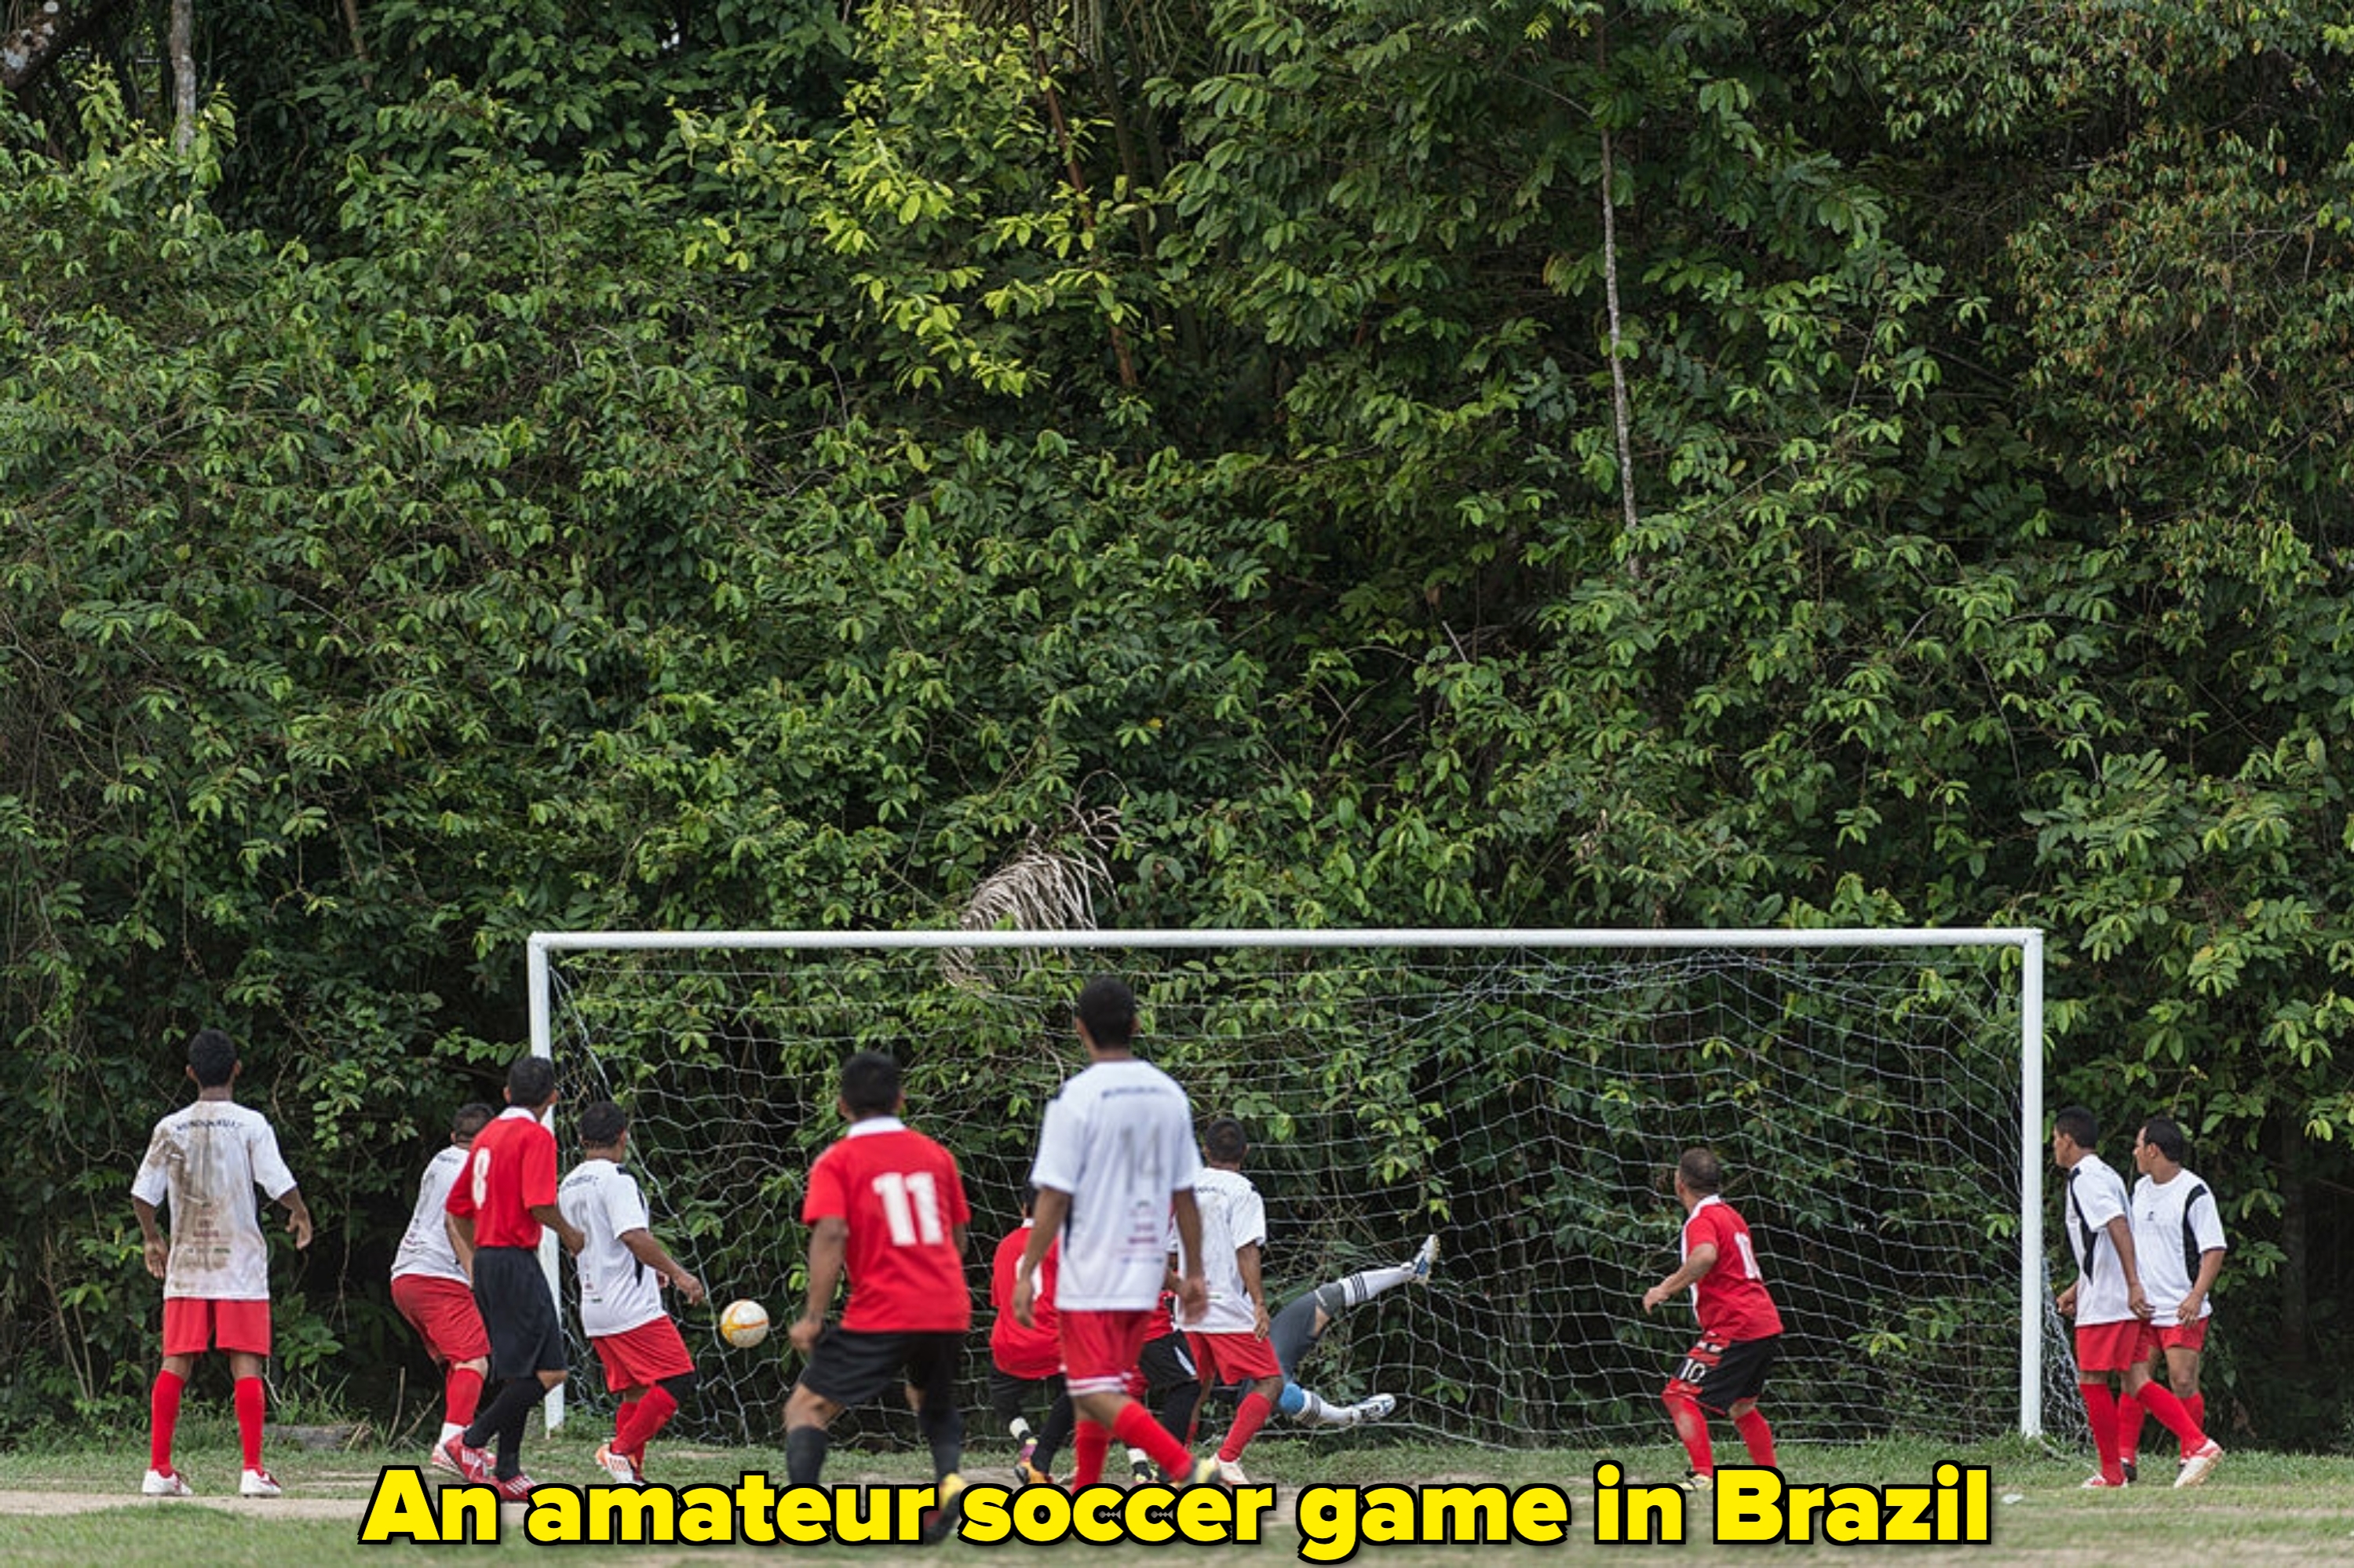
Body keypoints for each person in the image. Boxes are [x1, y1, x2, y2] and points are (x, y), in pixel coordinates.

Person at [1013, 975, 1217, 1491]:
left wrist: (1029, 1269)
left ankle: (1183, 1467)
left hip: (1093, 1272)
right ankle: (1086, 1493)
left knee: (1093, 1389)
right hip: (1145, 1271)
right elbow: (1184, 1195)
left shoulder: (1076, 1098)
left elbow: (1054, 1197)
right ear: (1136, 1024)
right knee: (1096, 1391)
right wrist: (1191, 1274)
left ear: (1078, 1028)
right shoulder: (1167, 1094)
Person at [784, 1051, 973, 1543]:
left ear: (842, 1106)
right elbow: (958, 1236)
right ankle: (949, 1480)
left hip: (886, 1307)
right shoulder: (936, 1155)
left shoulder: (839, 1161)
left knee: (806, 1408)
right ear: (902, 1099)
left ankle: (801, 1516)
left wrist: (813, 1316)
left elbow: (830, 1234)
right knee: (930, 1399)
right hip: (947, 1303)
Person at [132, 1027, 315, 1498]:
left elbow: (142, 1194)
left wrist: (154, 1239)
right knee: (246, 1361)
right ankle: (252, 1470)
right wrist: (299, 1210)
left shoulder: (170, 1127)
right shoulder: (251, 1124)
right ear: (236, 1069)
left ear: (190, 1073)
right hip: (239, 1258)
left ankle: (159, 1468)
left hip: (189, 1258)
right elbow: (277, 1181)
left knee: (176, 1359)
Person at [2049, 1105, 2222, 1490]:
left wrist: (2131, 1285)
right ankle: (2125, 1464)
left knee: (2100, 1378)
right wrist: (2081, 1286)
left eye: (2055, 1140)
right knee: (2133, 1378)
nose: (2054, 1148)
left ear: (2067, 1140)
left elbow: (2117, 1228)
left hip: (2125, 1300)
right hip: (2128, 1299)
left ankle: (2190, 1446)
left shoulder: (2087, 1179)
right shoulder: (2119, 1179)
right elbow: (2107, 1242)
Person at [441, 1056, 586, 1499]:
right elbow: (539, 1202)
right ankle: (467, 1442)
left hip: (489, 1256)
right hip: (514, 1258)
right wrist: (570, 1233)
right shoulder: (534, 1135)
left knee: (517, 1370)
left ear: (506, 1094)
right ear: (553, 1098)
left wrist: (476, 1254)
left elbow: (458, 1206)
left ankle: (506, 1469)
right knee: (552, 1370)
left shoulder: (487, 1136)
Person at [560, 1101, 706, 1484]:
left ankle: (631, 1478)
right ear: (624, 1136)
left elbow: (596, 1242)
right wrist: (676, 1273)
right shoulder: (617, 1179)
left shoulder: (570, 1183)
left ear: (580, 1139)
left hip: (594, 1305)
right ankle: (619, 1451)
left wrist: (647, 1270)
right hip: (629, 1307)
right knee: (679, 1379)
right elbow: (631, 1234)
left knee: (635, 1391)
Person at [1639, 1147, 1783, 1493]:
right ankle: (1769, 1478)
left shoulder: (1702, 1220)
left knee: (1678, 1394)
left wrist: (1665, 1288)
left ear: (1679, 1183)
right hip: (1764, 1322)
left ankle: (1704, 1475)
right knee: (1742, 1406)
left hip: (1737, 1324)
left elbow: (1705, 1256)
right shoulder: (1731, 1215)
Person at [2112, 1114, 2228, 1484]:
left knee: (2182, 1380)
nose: (2134, 1153)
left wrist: (2196, 1296)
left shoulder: (2194, 1192)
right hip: (2144, 1307)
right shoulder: (2140, 1189)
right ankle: (2124, 1460)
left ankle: (2192, 1455)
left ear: (2153, 1150)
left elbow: (2214, 1249)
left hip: (2182, 1308)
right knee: (2135, 1380)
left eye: (2138, 1145)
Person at [391, 1101, 495, 1471]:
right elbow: (455, 1223)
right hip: (438, 1276)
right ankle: (452, 1447)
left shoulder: (440, 1160)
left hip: (405, 1273)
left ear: (454, 1137)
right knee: (474, 1361)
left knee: (461, 1360)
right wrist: (476, 1276)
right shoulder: (478, 1169)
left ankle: (458, 1440)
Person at [1183, 1118, 1286, 1485]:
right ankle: (1227, 1457)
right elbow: (1246, 1250)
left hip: (1186, 1307)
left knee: (1195, 1386)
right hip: (1225, 1307)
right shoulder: (1243, 1192)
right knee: (1271, 1381)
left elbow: (1164, 1250)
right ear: (1245, 1152)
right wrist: (1259, 1302)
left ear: (1205, 1151)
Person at [988, 1186, 1075, 1486]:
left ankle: (1028, 1441)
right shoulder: (1065, 1243)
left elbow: (1001, 1301)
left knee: (1000, 1391)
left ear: (1023, 1208)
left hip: (1011, 1345)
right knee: (1082, 1391)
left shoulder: (1004, 1245)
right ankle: (1137, 1464)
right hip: (1055, 1346)